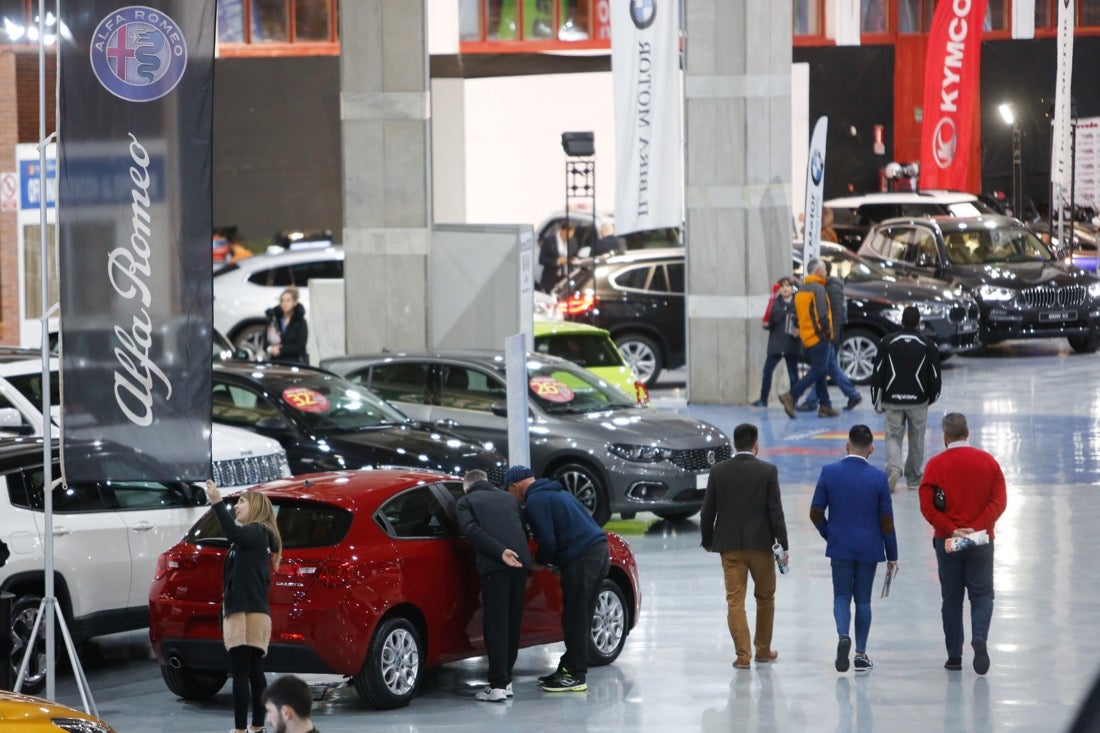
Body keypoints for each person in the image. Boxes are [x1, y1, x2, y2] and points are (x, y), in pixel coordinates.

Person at [504, 465, 609, 692]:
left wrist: (538, 562)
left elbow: (548, 541)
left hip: (582, 557)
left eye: (509, 492)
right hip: (599, 552)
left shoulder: (536, 501)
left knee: (574, 617)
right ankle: (569, 667)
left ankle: (575, 675)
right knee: (581, 615)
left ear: (514, 487)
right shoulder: (556, 492)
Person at [918, 413, 1007, 675]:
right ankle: (979, 636)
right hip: (980, 541)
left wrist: (952, 530)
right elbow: (999, 501)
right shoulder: (988, 462)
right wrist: (976, 528)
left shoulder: (935, 465)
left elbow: (927, 507)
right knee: (982, 594)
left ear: (945, 436)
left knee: (952, 598)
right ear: (968, 433)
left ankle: (954, 657)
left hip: (948, 543)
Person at [810, 424, 899, 673]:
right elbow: (886, 522)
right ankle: (860, 653)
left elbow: (815, 512)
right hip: (869, 549)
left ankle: (842, 637)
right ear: (872, 449)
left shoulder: (829, 472)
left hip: (840, 547)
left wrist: (830, 535)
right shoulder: (879, 479)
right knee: (863, 601)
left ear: (846, 446)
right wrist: (892, 554)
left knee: (840, 597)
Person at [699, 423, 789, 669]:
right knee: (765, 598)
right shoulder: (768, 471)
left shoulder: (718, 471)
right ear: (756, 445)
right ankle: (762, 650)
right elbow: (775, 513)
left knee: (735, 601)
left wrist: (708, 540)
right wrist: (783, 547)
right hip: (762, 547)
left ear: (734, 444)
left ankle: (742, 655)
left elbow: (708, 511)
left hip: (730, 548)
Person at [205, 480, 283, 733]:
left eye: (241, 502)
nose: (236, 506)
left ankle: (240, 730)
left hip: (244, 612)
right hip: (254, 609)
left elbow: (233, 533)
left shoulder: (255, 532)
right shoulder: (259, 537)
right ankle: (257, 727)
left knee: (241, 672)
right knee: (253, 671)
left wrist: (217, 501)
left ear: (256, 507)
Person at [455, 469, 532, 702]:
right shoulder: (508, 498)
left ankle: (497, 685)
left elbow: (471, 530)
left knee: (496, 624)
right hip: (521, 563)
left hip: (497, 566)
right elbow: (523, 529)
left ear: (467, 487)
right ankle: (505, 681)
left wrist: (500, 552)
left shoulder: (466, 501)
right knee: (512, 621)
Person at [870, 306, 942, 492]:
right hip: (919, 400)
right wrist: (931, 397)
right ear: (919, 322)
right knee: (917, 438)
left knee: (893, 435)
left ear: (901, 321)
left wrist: (875, 397)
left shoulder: (887, 341)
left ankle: (894, 469)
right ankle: (913, 478)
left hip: (892, 398)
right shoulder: (928, 345)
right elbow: (935, 375)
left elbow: (878, 371)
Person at [778, 259, 862, 419]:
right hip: (820, 338)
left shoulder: (802, 290)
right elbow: (823, 315)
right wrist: (829, 334)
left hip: (807, 338)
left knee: (822, 371)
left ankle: (825, 406)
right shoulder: (819, 290)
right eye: (824, 270)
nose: (826, 272)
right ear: (818, 272)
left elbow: (794, 315)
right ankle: (792, 395)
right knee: (818, 370)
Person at [797, 260, 852, 413]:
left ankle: (795, 395)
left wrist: (830, 335)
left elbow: (831, 314)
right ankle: (827, 404)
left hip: (824, 336)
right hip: (822, 336)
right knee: (826, 367)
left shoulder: (827, 288)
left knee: (820, 368)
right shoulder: (817, 287)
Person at [752, 277, 801, 407]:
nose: (785, 289)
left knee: (793, 374)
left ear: (792, 288)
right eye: (782, 286)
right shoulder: (774, 303)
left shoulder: (798, 303)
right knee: (767, 372)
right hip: (776, 344)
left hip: (791, 344)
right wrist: (766, 324)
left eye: (787, 286)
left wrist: (799, 330)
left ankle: (793, 400)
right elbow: (769, 322)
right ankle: (763, 399)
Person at [264, 286, 309, 364]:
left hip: (294, 362)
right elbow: (264, 342)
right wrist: (271, 349)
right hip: (275, 362)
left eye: (288, 300)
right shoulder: (274, 320)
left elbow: (300, 346)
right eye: (282, 301)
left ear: (295, 303)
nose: (285, 303)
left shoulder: (301, 322)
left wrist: (281, 350)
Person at [538, 222, 578, 293]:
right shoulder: (549, 240)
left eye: (571, 235)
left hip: (566, 278)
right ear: (561, 230)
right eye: (566, 235)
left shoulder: (573, 240)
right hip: (551, 279)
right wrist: (558, 261)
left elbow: (574, 255)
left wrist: (574, 260)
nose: (568, 238)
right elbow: (542, 260)